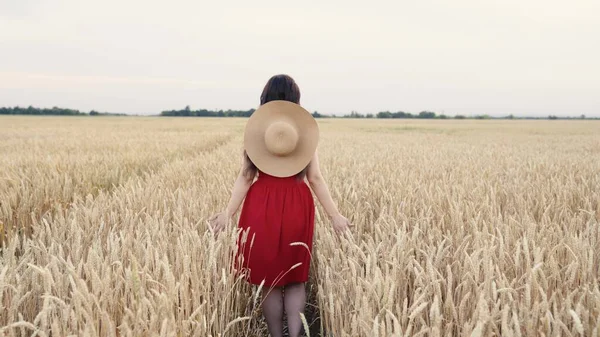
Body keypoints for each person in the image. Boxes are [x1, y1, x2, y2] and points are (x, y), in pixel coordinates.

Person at [209, 74, 351, 337]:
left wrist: (227, 213)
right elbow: (315, 178)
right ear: (295, 100)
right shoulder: (301, 133)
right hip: (298, 203)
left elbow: (246, 176)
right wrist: (335, 216)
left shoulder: (258, 132)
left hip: (261, 203)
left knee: (270, 282)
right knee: (296, 279)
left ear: (265, 98)